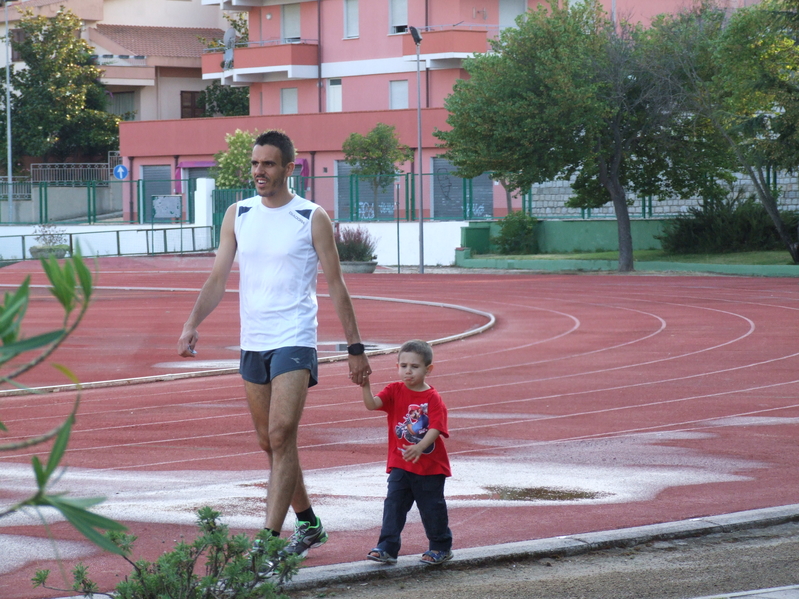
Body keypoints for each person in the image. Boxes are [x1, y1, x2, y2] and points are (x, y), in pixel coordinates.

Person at [177, 129, 371, 563]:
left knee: (283, 434)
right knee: (270, 442)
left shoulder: (311, 216)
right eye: (254, 163)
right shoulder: (238, 213)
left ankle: (267, 542)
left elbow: (337, 285)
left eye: (267, 163)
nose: (258, 171)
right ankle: (309, 522)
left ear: (289, 168)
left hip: (295, 338)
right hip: (254, 341)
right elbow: (218, 277)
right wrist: (192, 322)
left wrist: (355, 347)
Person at [361, 339, 453, 565]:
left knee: (432, 509)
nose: (408, 371)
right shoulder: (394, 390)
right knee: (393, 505)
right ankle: (387, 547)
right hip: (401, 463)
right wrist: (364, 386)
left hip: (429, 468)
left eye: (415, 366)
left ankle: (441, 547)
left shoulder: (432, 398)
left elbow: (436, 427)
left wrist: (420, 447)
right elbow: (372, 404)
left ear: (428, 369)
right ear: (397, 367)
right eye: (403, 366)